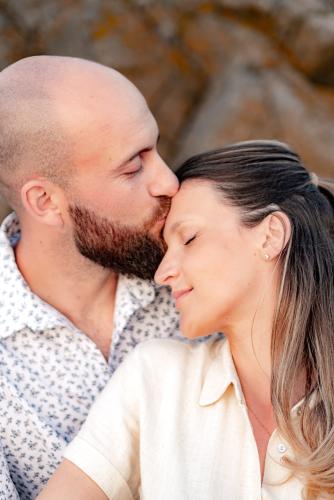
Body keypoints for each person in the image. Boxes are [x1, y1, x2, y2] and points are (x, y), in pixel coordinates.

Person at [38, 140, 334, 500]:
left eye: (189, 238)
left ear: (270, 236)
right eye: (165, 250)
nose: (162, 273)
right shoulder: (155, 379)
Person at [0, 55, 182, 498]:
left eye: (156, 149)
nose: (170, 183)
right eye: (133, 168)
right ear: (45, 201)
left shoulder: (197, 270)